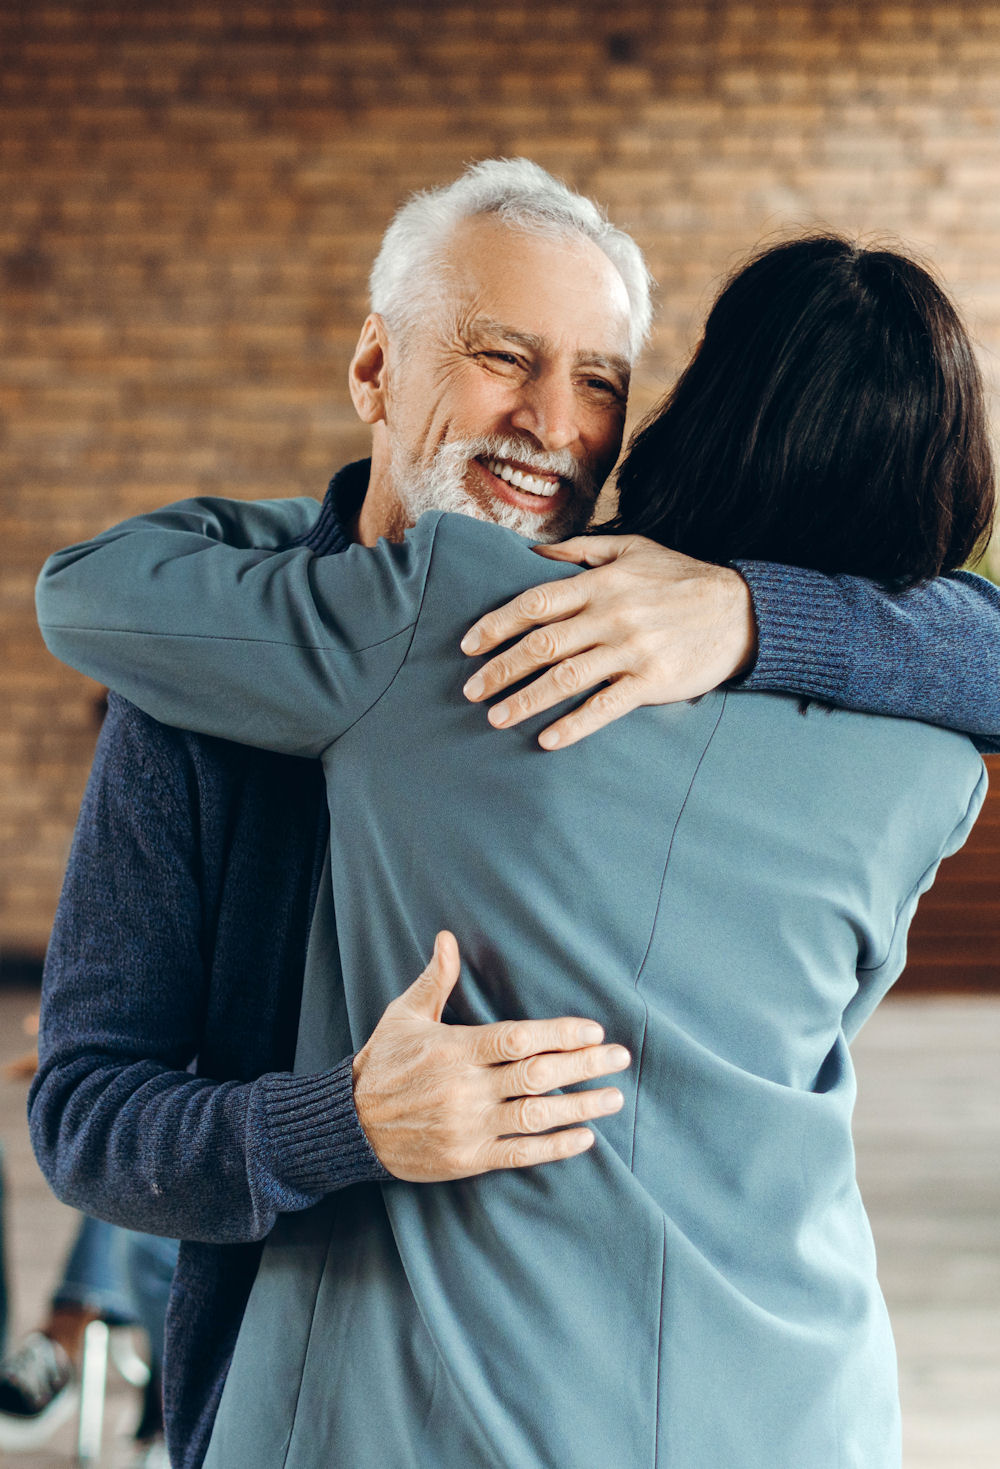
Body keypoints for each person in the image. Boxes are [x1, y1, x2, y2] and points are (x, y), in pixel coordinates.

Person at [29, 159, 1000, 1469]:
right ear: (374, 367)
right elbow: (87, 1114)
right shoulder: (194, 689)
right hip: (337, 1388)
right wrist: (338, 1125)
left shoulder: (629, 630)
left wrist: (756, 615)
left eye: (599, 380)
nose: (550, 423)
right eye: (501, 356)